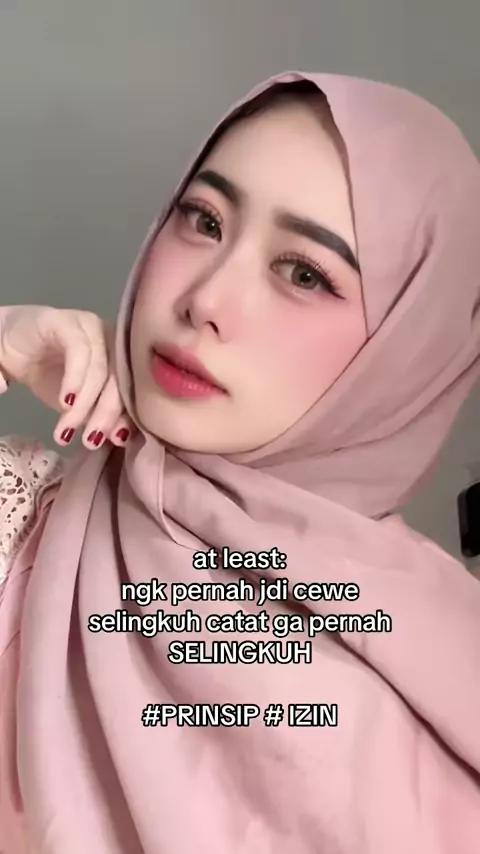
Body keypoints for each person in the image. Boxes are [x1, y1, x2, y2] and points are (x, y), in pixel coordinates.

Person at [1, 70, 480, 853]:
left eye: (304, 273)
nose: (206, 300)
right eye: (204, 219)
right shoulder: (16, 522)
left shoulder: (452, 677)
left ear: (411, 348)